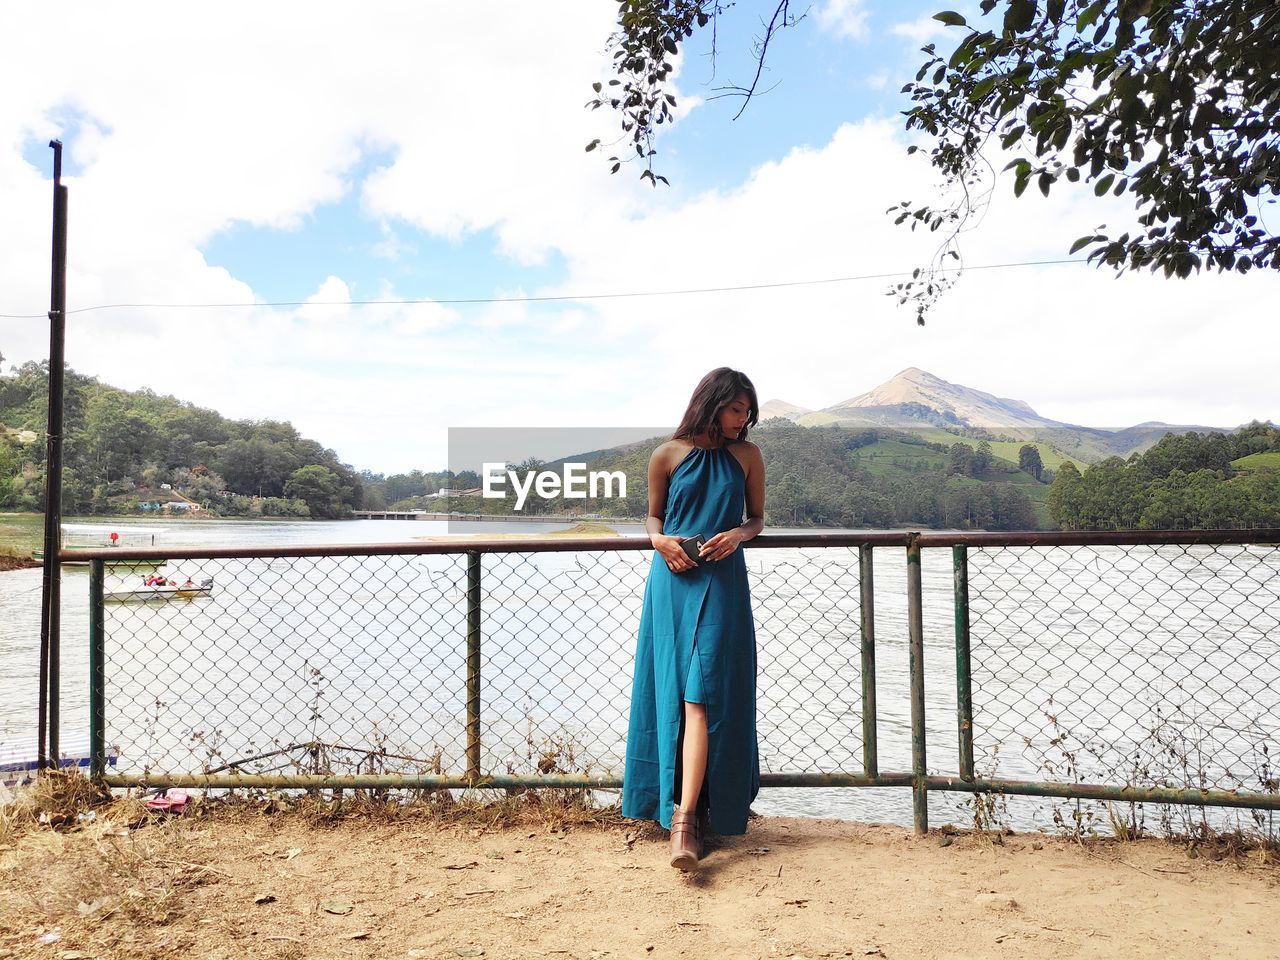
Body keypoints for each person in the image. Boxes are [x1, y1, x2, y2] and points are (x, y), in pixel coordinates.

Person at [622, 367, 766, 871]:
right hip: (672, 580)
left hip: (723, 581)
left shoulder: (748, 456)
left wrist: (739, 535)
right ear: (712, 403)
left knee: (700, 693)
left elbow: (757, 518)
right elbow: (653, 517)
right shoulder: (666, 455)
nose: (743, 419)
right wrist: (658, 541)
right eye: (735, 409)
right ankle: (680, 811)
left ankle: (685, 824)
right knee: (671, 692)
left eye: (748, 412)